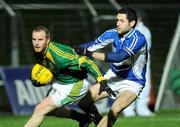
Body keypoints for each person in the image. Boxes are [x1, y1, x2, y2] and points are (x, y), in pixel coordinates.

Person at [24, 26, 116, 127]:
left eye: (40, 39)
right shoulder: (39, 52)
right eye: (34, 39)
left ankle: (92, 117)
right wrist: (38, 78)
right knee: (49, 111)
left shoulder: (59, 56)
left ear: (48, 40)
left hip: (75, 84)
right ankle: (83, 118)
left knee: (40, 110)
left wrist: (102, 81)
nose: (36, 43)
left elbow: (87, 62)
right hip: (60, 82)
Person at [74, 7, 148, 127]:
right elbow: (92, 45)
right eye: (117, 20)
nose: (118, 23)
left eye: (122, 21)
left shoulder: (138, 39)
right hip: (113, 76)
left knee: (114, 110)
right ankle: (97, 119)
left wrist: (89, 54)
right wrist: (71, 50)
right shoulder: (112, 33)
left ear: (132, 23)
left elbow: (119, 57)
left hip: (132, 82)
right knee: (84, 103)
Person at [122, 9, 154, 117]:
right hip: (127, 63)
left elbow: (145, 47)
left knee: (144, 86)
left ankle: (142, 109)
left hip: (142, 63)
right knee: (128, 87)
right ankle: (128, 110)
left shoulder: (145, 30)